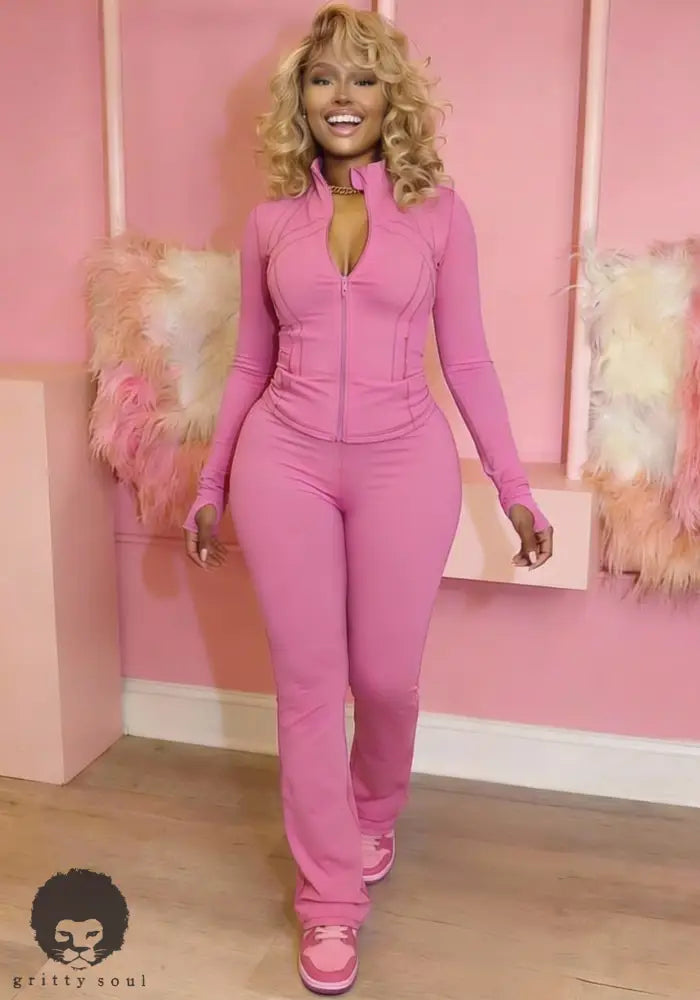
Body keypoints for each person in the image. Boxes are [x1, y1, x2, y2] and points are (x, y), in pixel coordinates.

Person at [183, 3, 553, 994]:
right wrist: (212, 480)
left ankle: (373, 809)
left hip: (404, 461)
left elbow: (467, 359)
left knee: (385, 678)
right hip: (285, 461)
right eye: (322, 78)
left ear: (393, 98)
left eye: (362, 77)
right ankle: (329, 901)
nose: (340, 96)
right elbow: (247, 362)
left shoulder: (441, 216)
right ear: (298, 100)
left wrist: (514, 488)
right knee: (308, 688)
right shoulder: (270, 223)